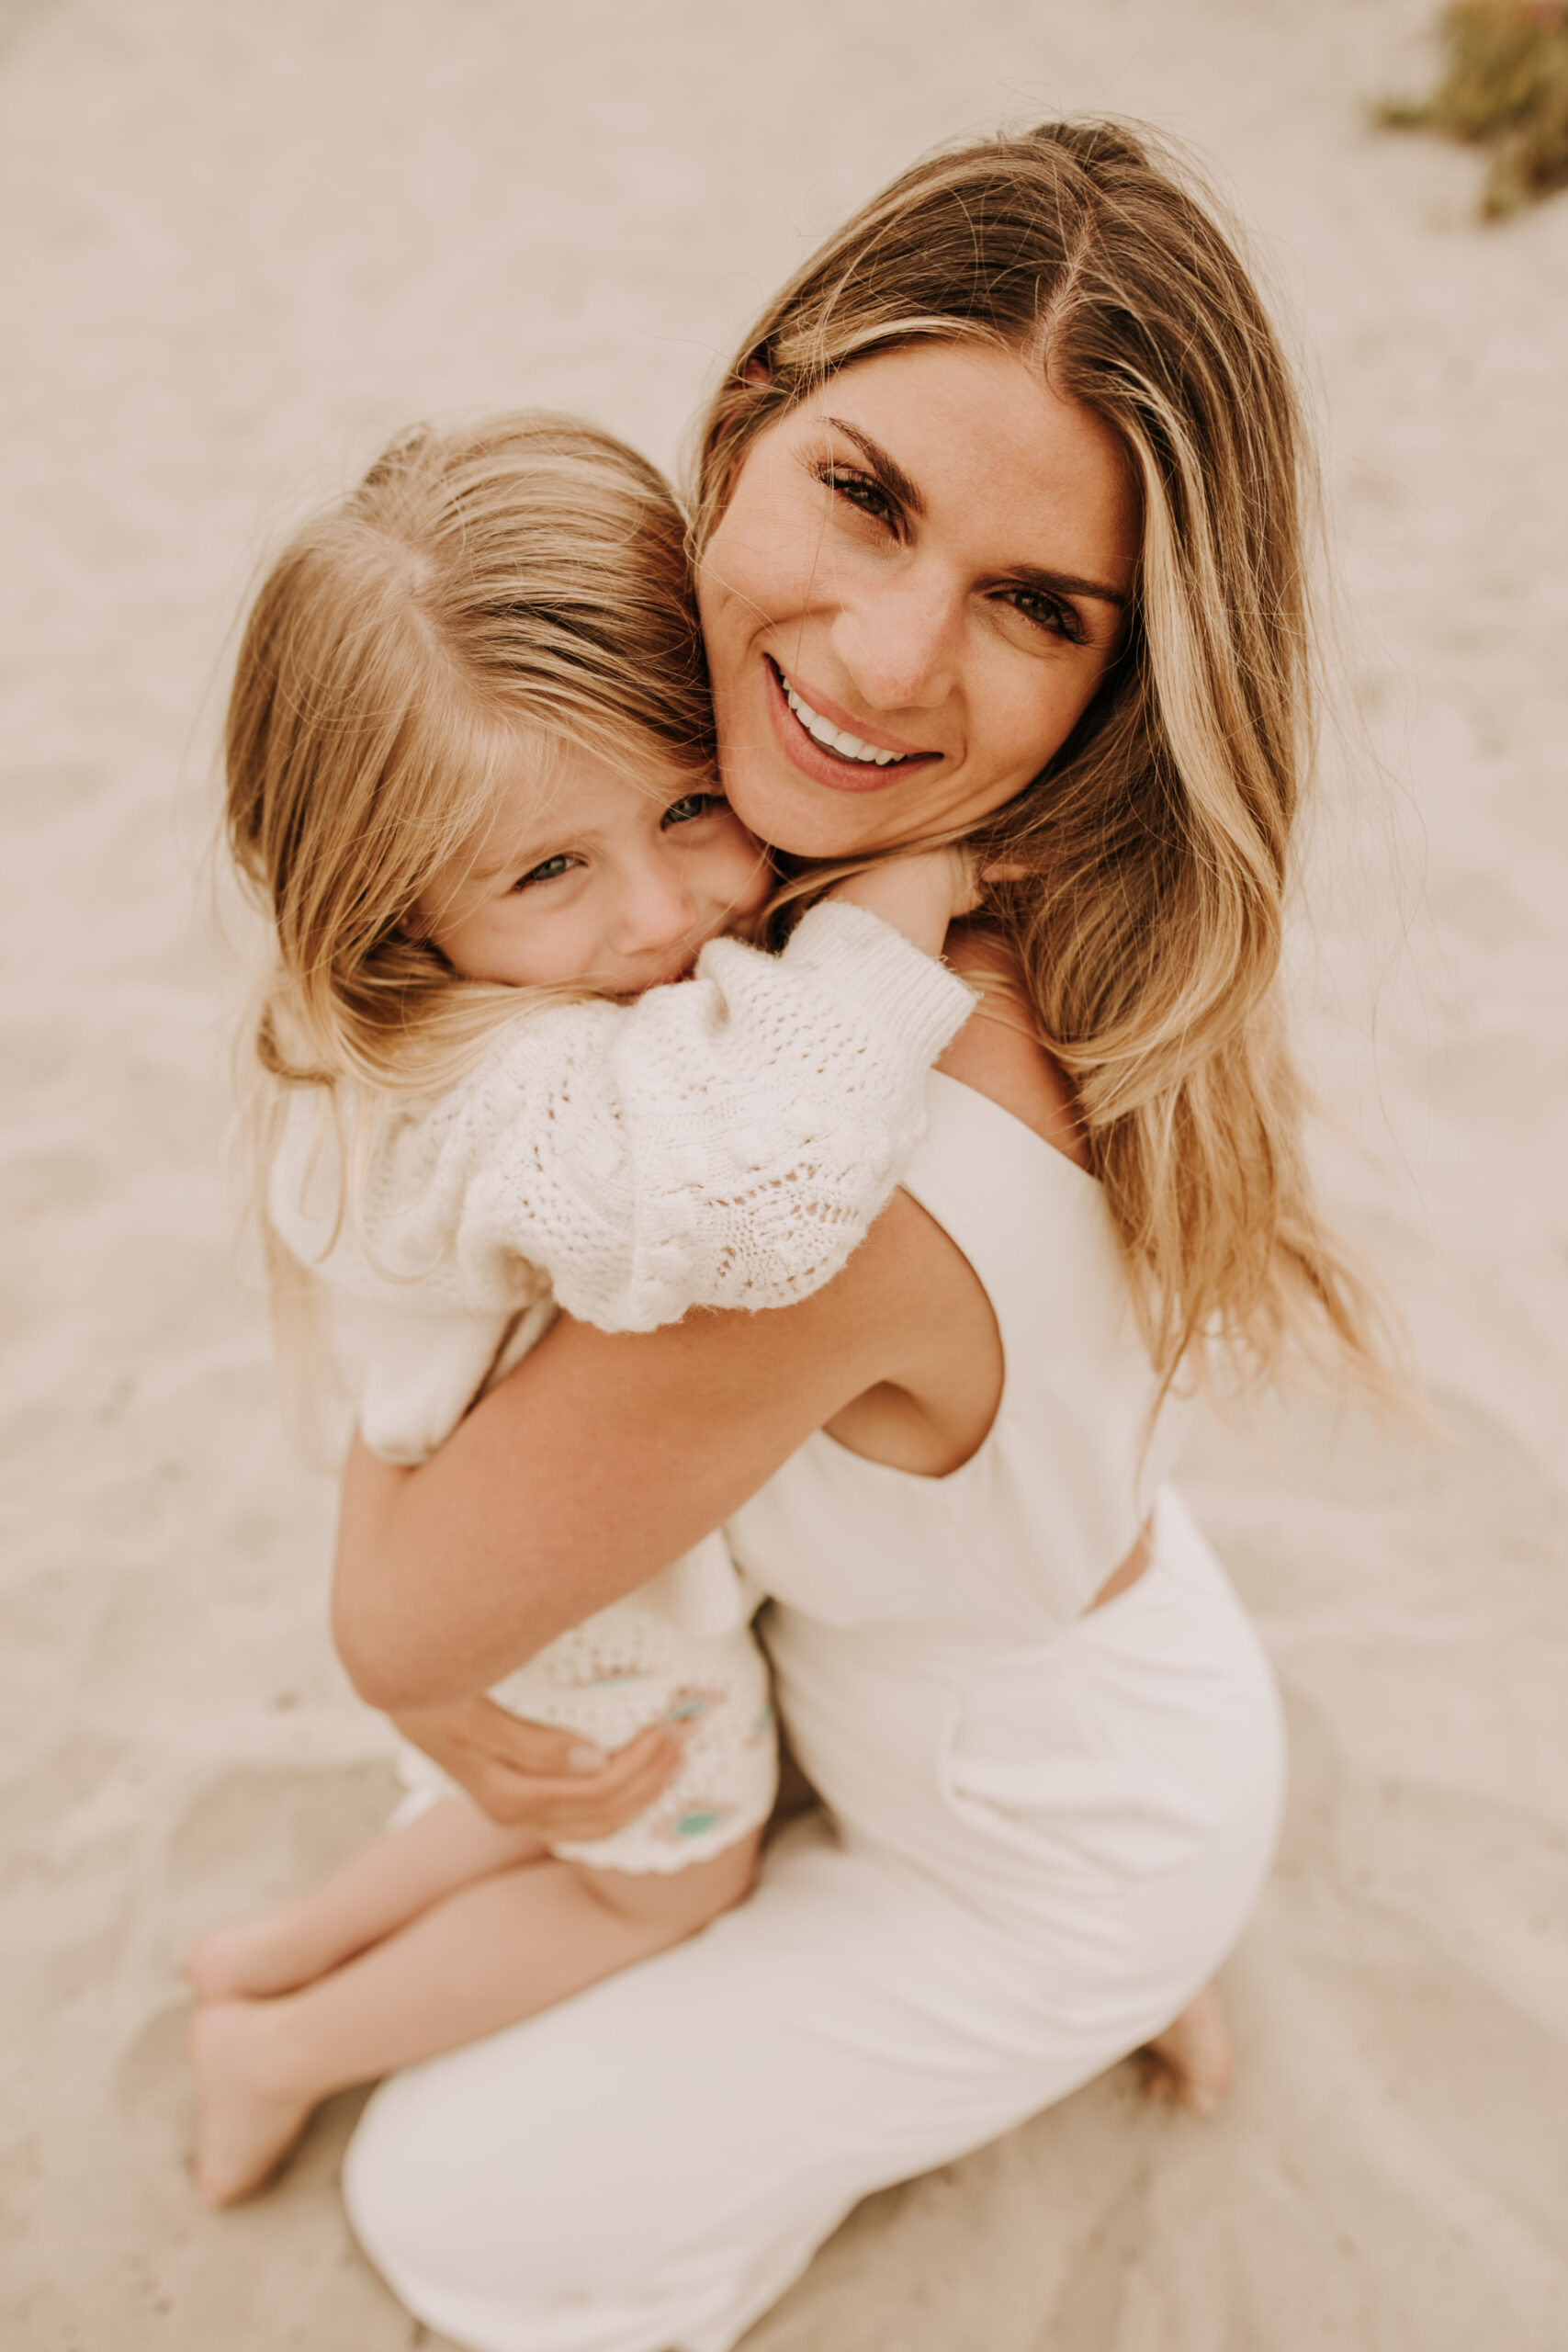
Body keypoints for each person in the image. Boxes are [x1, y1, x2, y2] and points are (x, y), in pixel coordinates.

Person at [325, 121, 1392, 2352]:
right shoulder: (908, 894)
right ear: (738, 432)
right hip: (1021, 1658)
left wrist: (403, 1631)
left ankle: (1085, 1992)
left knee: (448, 2204)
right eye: (865, 493)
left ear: (1125, 677)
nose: (888, 656)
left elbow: (407, 1601)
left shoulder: (813, 1161)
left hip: (1031, 1832)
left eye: (1037, 606)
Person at [186, 413, 979, 2206]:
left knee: (550, 1795)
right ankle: (282, 2040)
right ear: (391, 902)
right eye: (548, 871)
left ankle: (274, 1945)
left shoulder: (399, 1007)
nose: (665, 912)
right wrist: (891, 921)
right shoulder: (503, 1086)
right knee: (666, 1866)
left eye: (689, 800)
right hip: (565, 1592)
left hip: (473, 1528)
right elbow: (750, 1199)